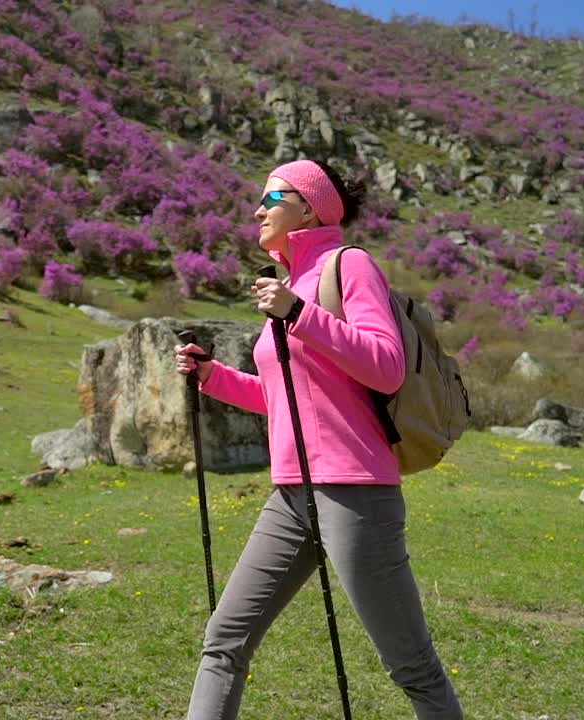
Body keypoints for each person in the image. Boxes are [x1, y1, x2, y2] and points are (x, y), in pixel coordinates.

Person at [174, 159, 463, 720]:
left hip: (355, 492)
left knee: (411, 666)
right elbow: (284, 399)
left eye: (272, 197)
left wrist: (300, 314)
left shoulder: (346, 267)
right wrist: (212, 376)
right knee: (224, 639)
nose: (258, 209)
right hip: (290, 495)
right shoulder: (289, 284)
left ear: (309, 206)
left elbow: (387, 367)